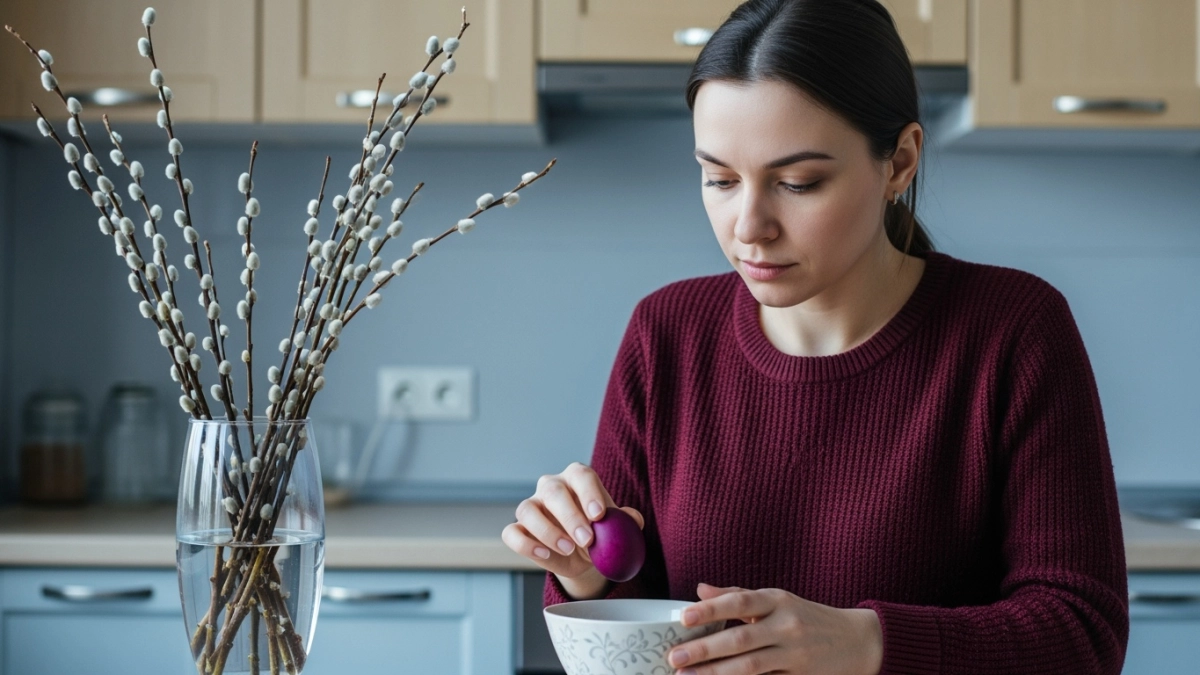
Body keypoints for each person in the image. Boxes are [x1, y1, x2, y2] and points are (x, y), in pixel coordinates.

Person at [500, 0, 1129, 672]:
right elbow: (645, 613)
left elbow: (1081, 633)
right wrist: (584, 573)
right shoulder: (666, 333)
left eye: (798, 182)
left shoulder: (1013, 328)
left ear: (900, 162)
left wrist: (866, 642)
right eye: (718, 177)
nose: (749, 226)